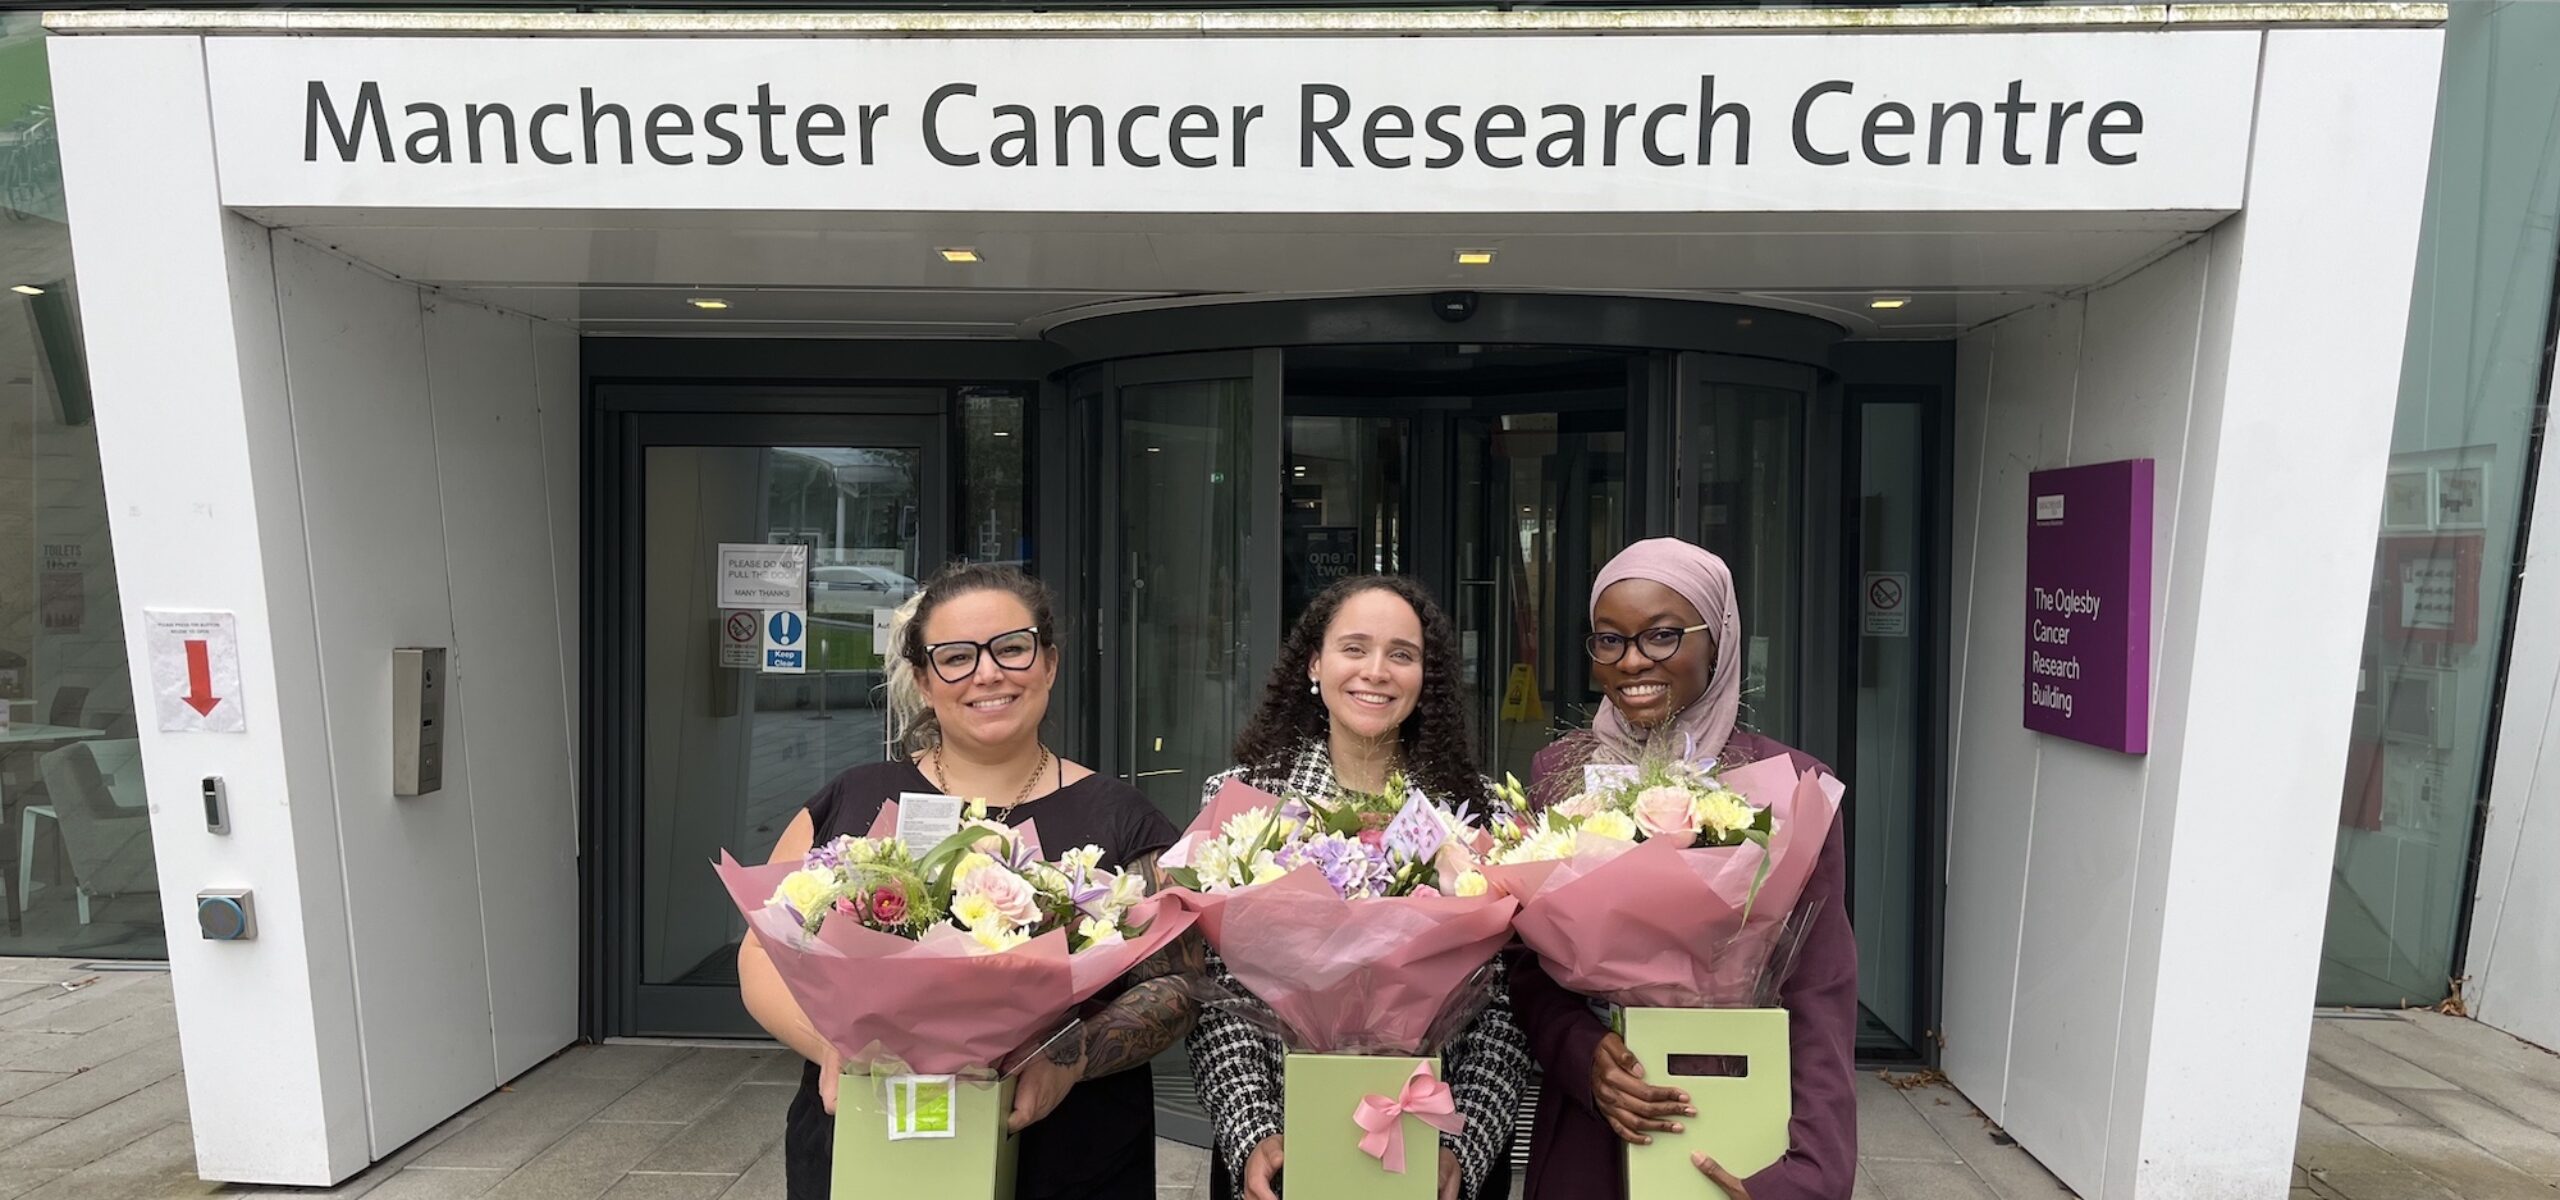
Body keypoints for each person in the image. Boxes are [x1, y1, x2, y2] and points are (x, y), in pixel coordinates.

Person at [738, 562, 1200, 1200]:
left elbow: (1177, 984)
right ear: (926, 681)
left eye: (1012, 648)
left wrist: (1073, 1054)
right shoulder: (853, 801)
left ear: (1049, 664)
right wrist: (831, 1045)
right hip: (870, 1139)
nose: (988, 673)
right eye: (956, 657)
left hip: (1072, 1150)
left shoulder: (1123, 821)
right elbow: (761, 950)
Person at [1510, 538, 1857, 1200]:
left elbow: (1819, 986)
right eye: (1609, 640)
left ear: (1717, 638)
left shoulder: (1787, 784)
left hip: (1735, 1110)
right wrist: (1584, 1056)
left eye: (1663, 636)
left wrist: (1812, 1172)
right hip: (1599, 1120)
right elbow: (1527, 967)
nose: (1632, 660)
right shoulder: (1558, 775)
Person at [1185, 575, 1529, 1200]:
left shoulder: (1475, 816)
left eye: (1402, 654)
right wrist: (1253, 1131)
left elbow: (1503, 1008)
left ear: (1427, 679)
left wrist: (1461, 1144)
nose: (1377, 671)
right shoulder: (1245, 803)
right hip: (1281, 1149)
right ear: (1314, 663)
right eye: (1354, 648)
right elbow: (1217, 995)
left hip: (1430, 1142)